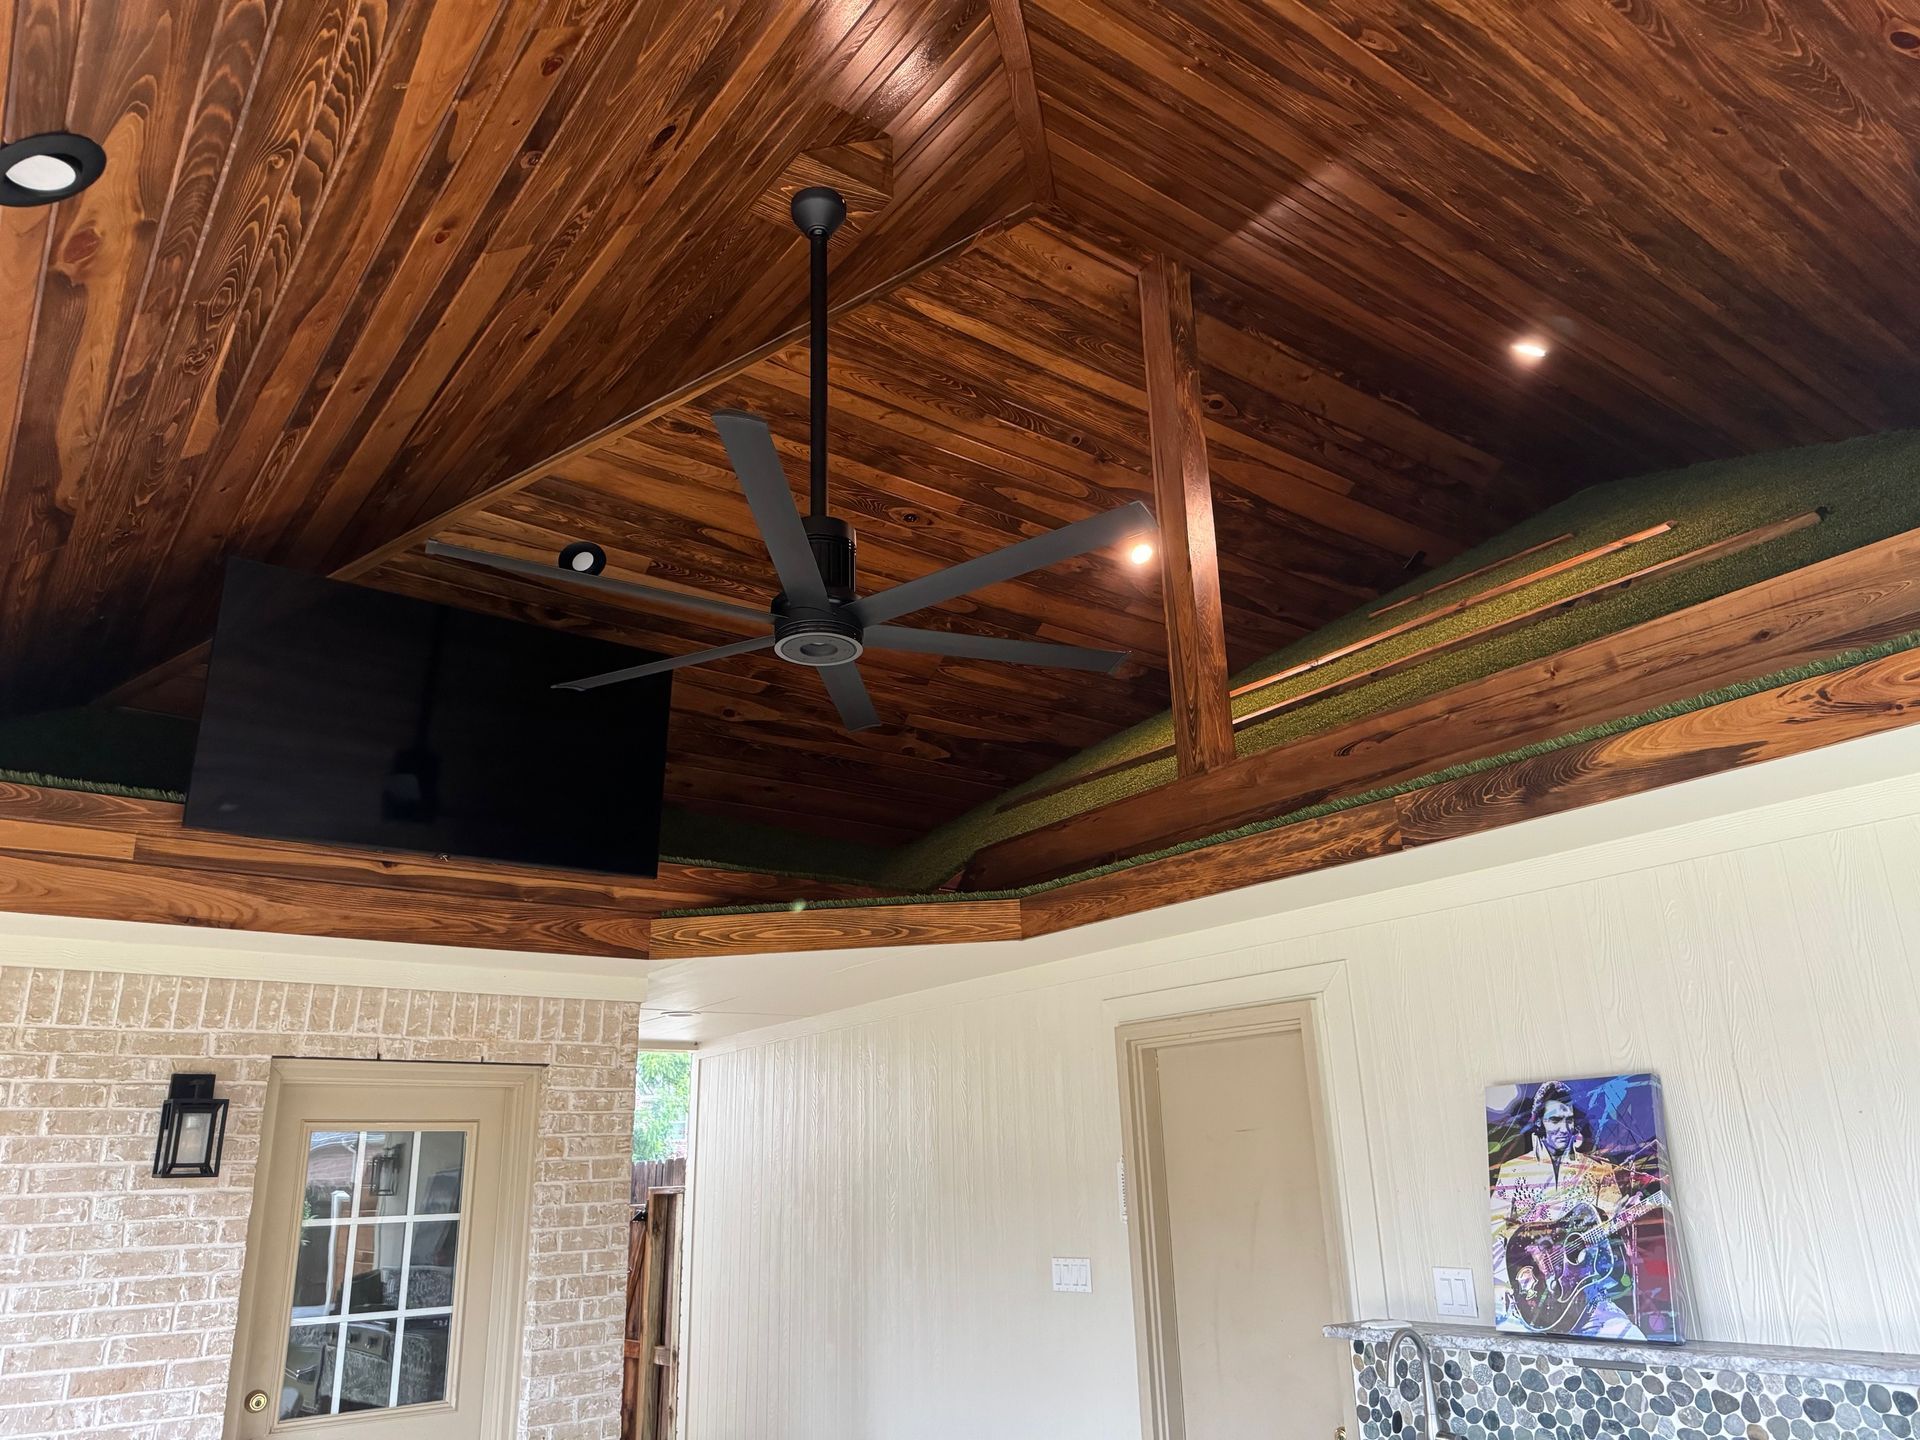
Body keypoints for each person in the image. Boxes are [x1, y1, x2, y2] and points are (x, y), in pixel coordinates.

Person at [1490, 1081, 1652, 1340]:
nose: (1563, 1128)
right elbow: (1496, 1233)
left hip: (1588, 1302)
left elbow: (1613, 1224)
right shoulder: (1514, 1170)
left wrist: (1621, 1215)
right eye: (1555, 1120)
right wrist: (1518, 1276)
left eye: (1568, 1120)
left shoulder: (1598, 1170)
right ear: (1539, 1122)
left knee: (1633, 1340)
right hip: (1526, 1303)